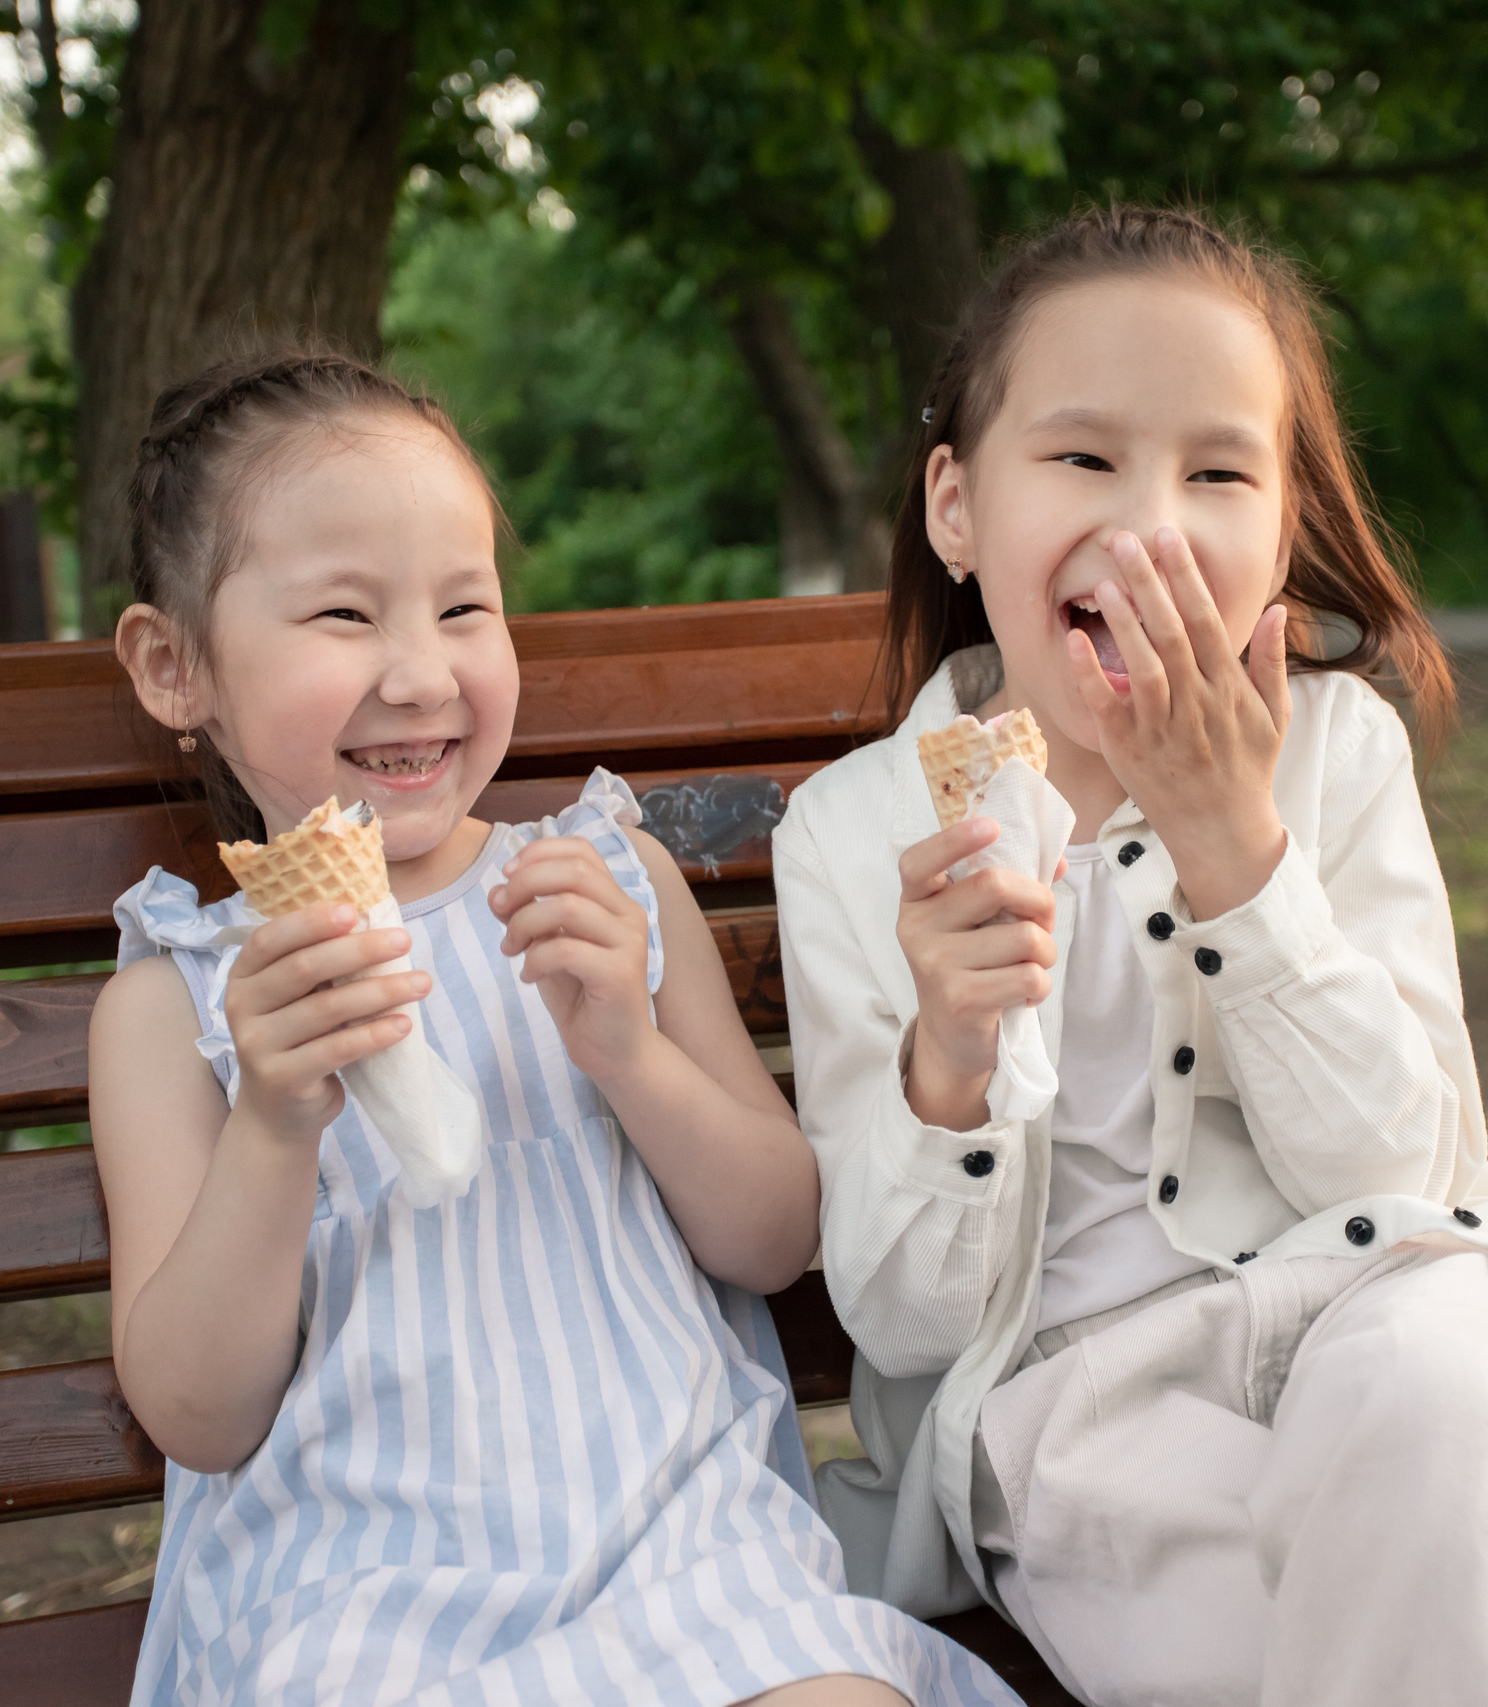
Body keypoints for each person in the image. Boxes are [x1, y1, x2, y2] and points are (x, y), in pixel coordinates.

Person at [774, 206, 1488, 1707]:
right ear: (957, 507)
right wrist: (947, 1065)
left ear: (1281, 529)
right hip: (1084, 1410)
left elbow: (1406, 1175)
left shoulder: (1335, 755)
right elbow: (902, 1322)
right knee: (1377, 1643)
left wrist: (1236, 854)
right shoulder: (850, 836)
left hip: (1380, 1302)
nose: (1152, 525)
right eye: (1085, 459)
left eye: (1218, 472)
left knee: (1447, 1419)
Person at [89, 348, 1019, 1707]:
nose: (420, 673)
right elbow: (197, 1410)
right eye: (345, 615)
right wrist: (278, 1124)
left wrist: (628, 1052)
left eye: (465, 606)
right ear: (174, 666)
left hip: (685, 1551)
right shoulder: (176, 1000)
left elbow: (775, 1235)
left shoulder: (604, 879)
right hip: (364, 1597)